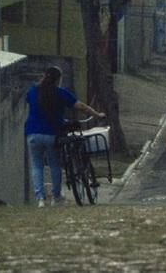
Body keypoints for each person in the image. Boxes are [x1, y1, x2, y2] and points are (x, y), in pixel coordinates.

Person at [24, 66, 105, 208]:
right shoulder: (60, 93)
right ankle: (56, 197)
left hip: (32, 134)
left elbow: (31, 105)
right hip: (51, 134)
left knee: (37, 166)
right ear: (58, 79)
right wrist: (97, 115)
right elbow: (80, 106)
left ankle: (40, 200)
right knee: (54, 164)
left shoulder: (32, 91)